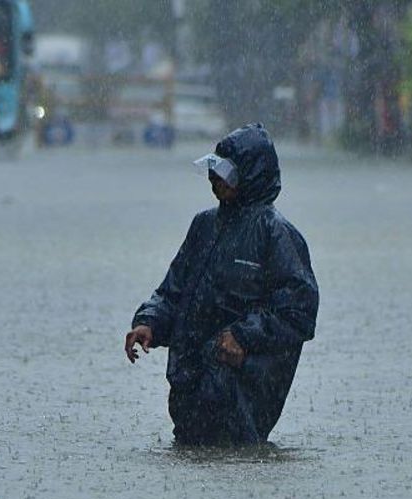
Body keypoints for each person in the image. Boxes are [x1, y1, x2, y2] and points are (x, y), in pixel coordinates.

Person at [125, 124, 319, 445]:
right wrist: (149, 322)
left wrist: (243, 335)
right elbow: (173, 290)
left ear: (252, 175)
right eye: (214, 171)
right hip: (190, 383)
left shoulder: (276, 234)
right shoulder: (203, 226)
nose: (216, 180)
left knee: (237, 458)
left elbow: (299, 311)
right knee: (192, 461)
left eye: (226, 173)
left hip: (244, 388)